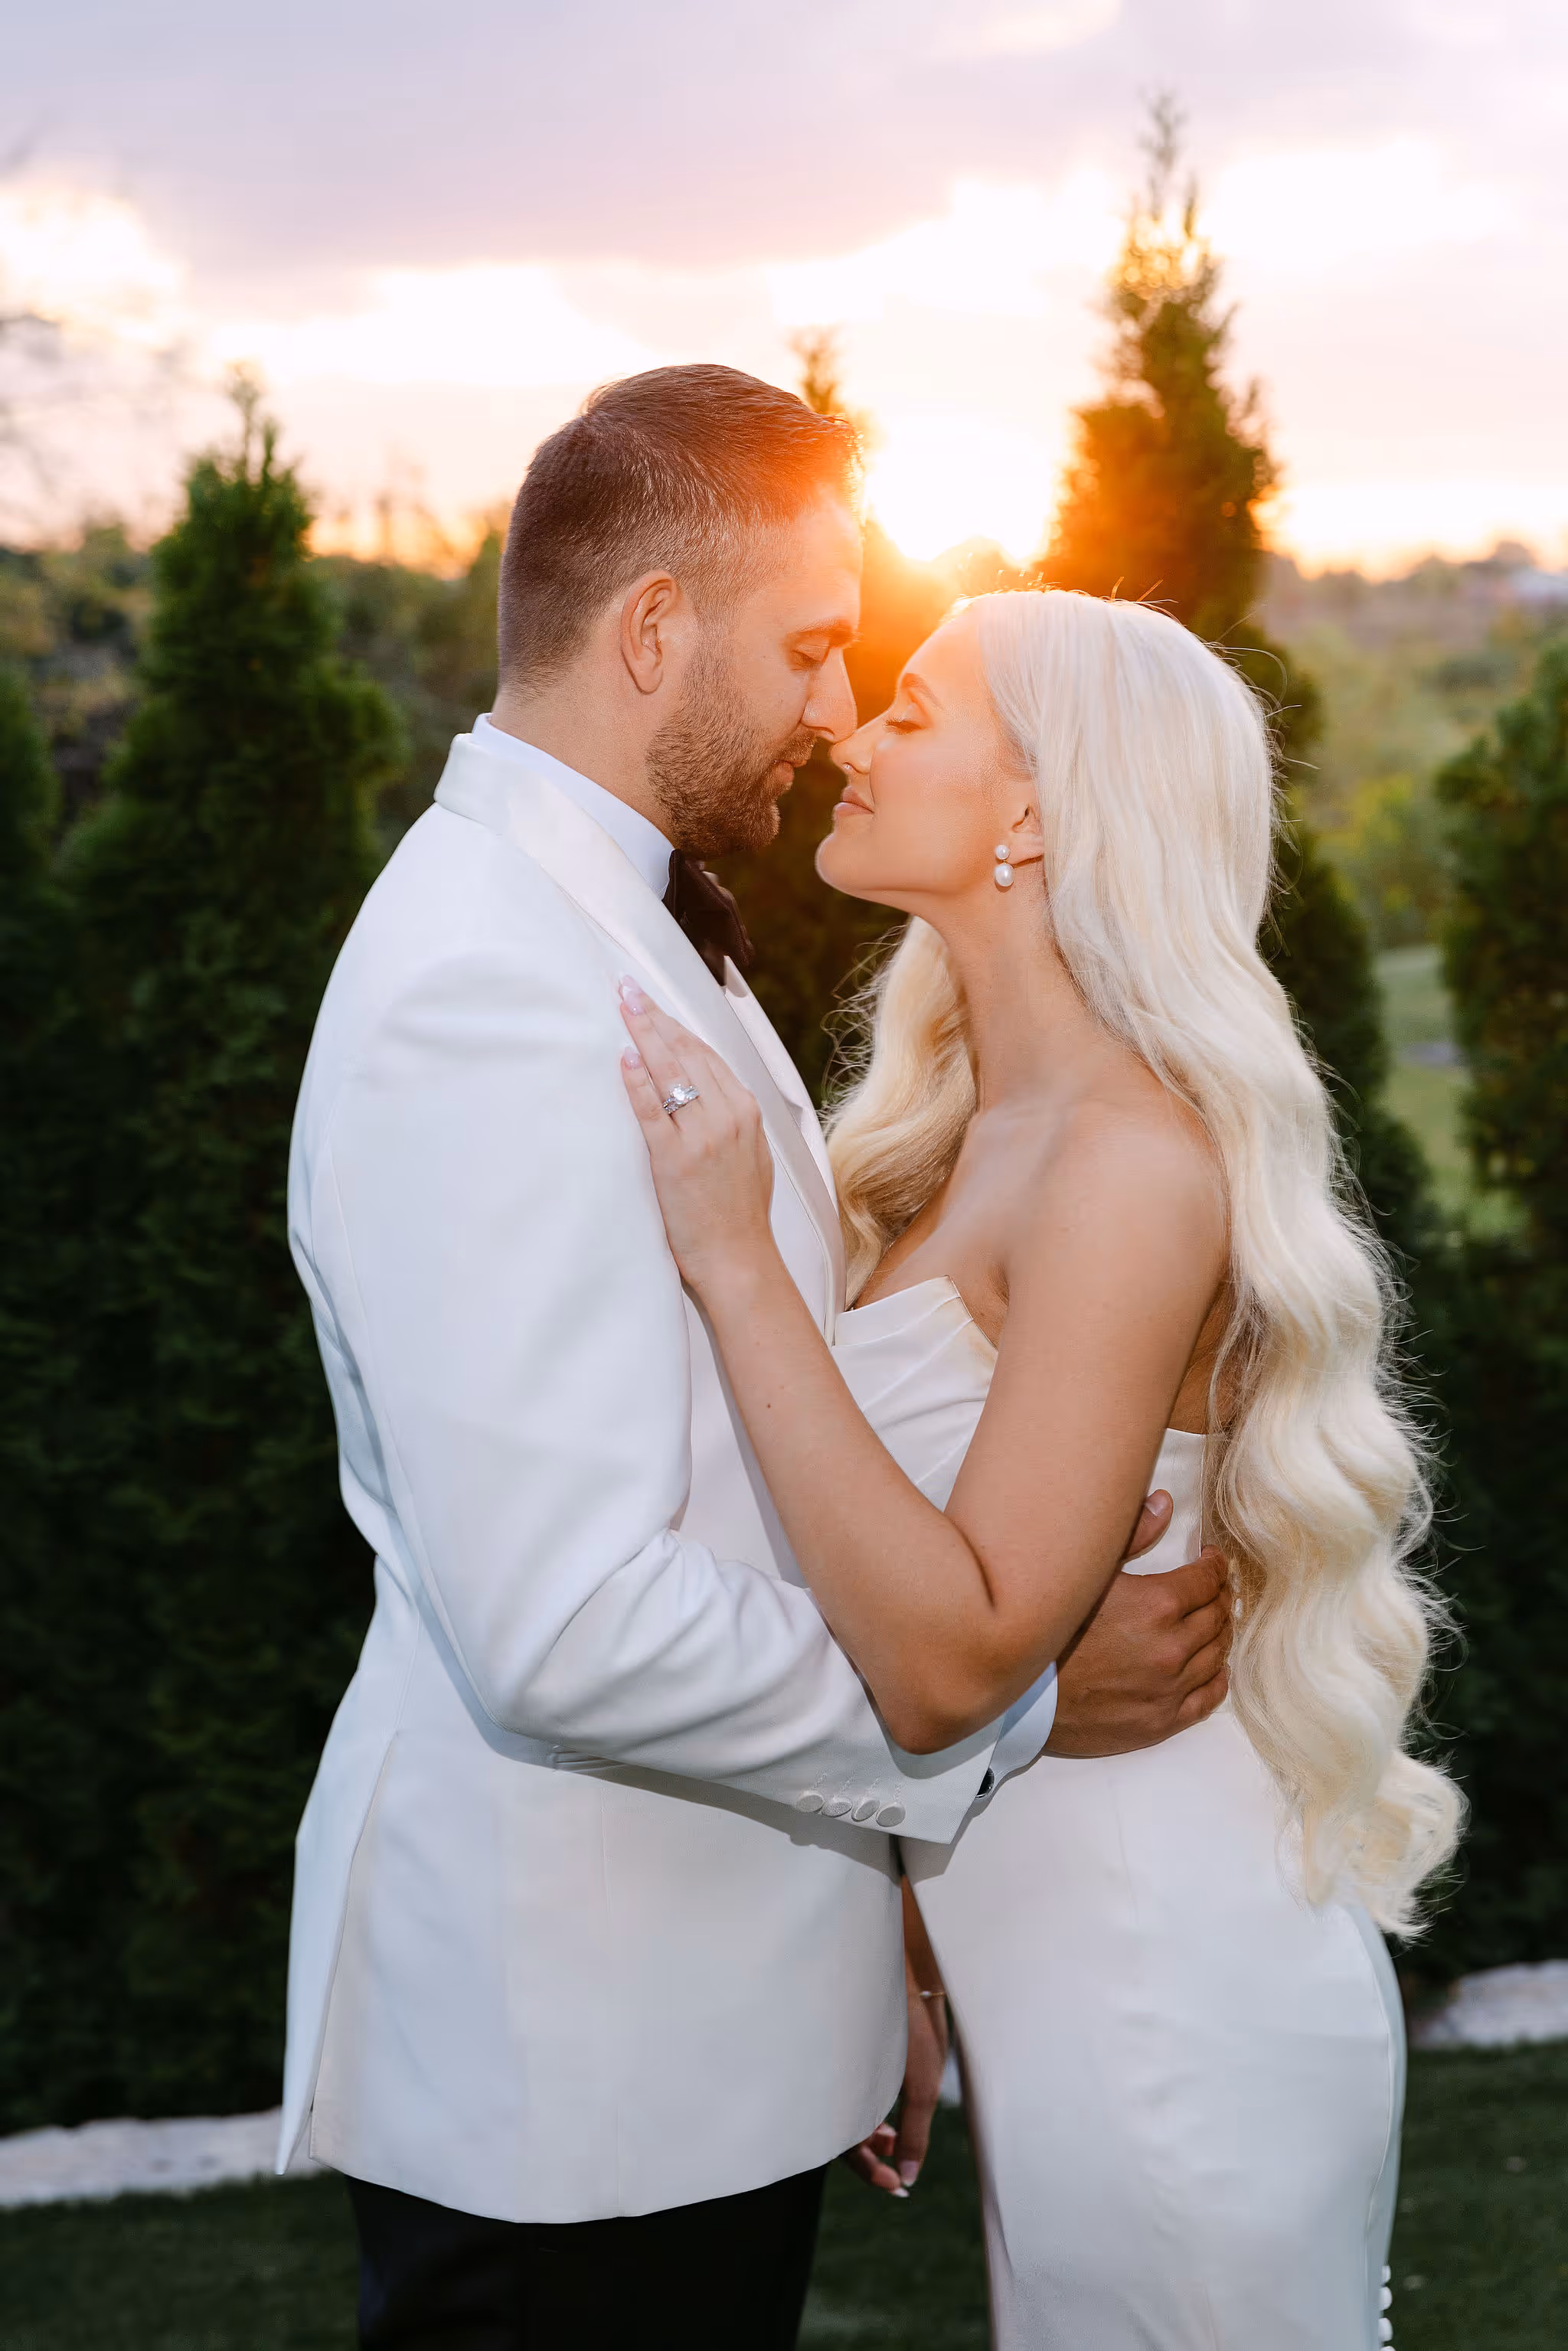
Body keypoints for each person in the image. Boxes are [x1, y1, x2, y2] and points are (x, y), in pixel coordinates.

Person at [278, 368, 1231, 2350]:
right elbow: (569, 1621)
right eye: (808, 649)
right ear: (652, 633)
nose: (830, 705)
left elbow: (740, 1463)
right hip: (576, 2078)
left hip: (694, 2022)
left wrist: (847, 1911)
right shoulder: (486, 982)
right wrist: (1015, 1705)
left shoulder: (629, 929)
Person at [618, 586, 1465, 2351]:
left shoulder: (1129, 1156)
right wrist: (907, 1952)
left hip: (1174, 1987)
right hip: (1051, 1970)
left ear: (1034, 809)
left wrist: (735, 1262)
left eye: (914, 710)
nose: (854, 728)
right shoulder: (956, 1132)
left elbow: (953, 1645)